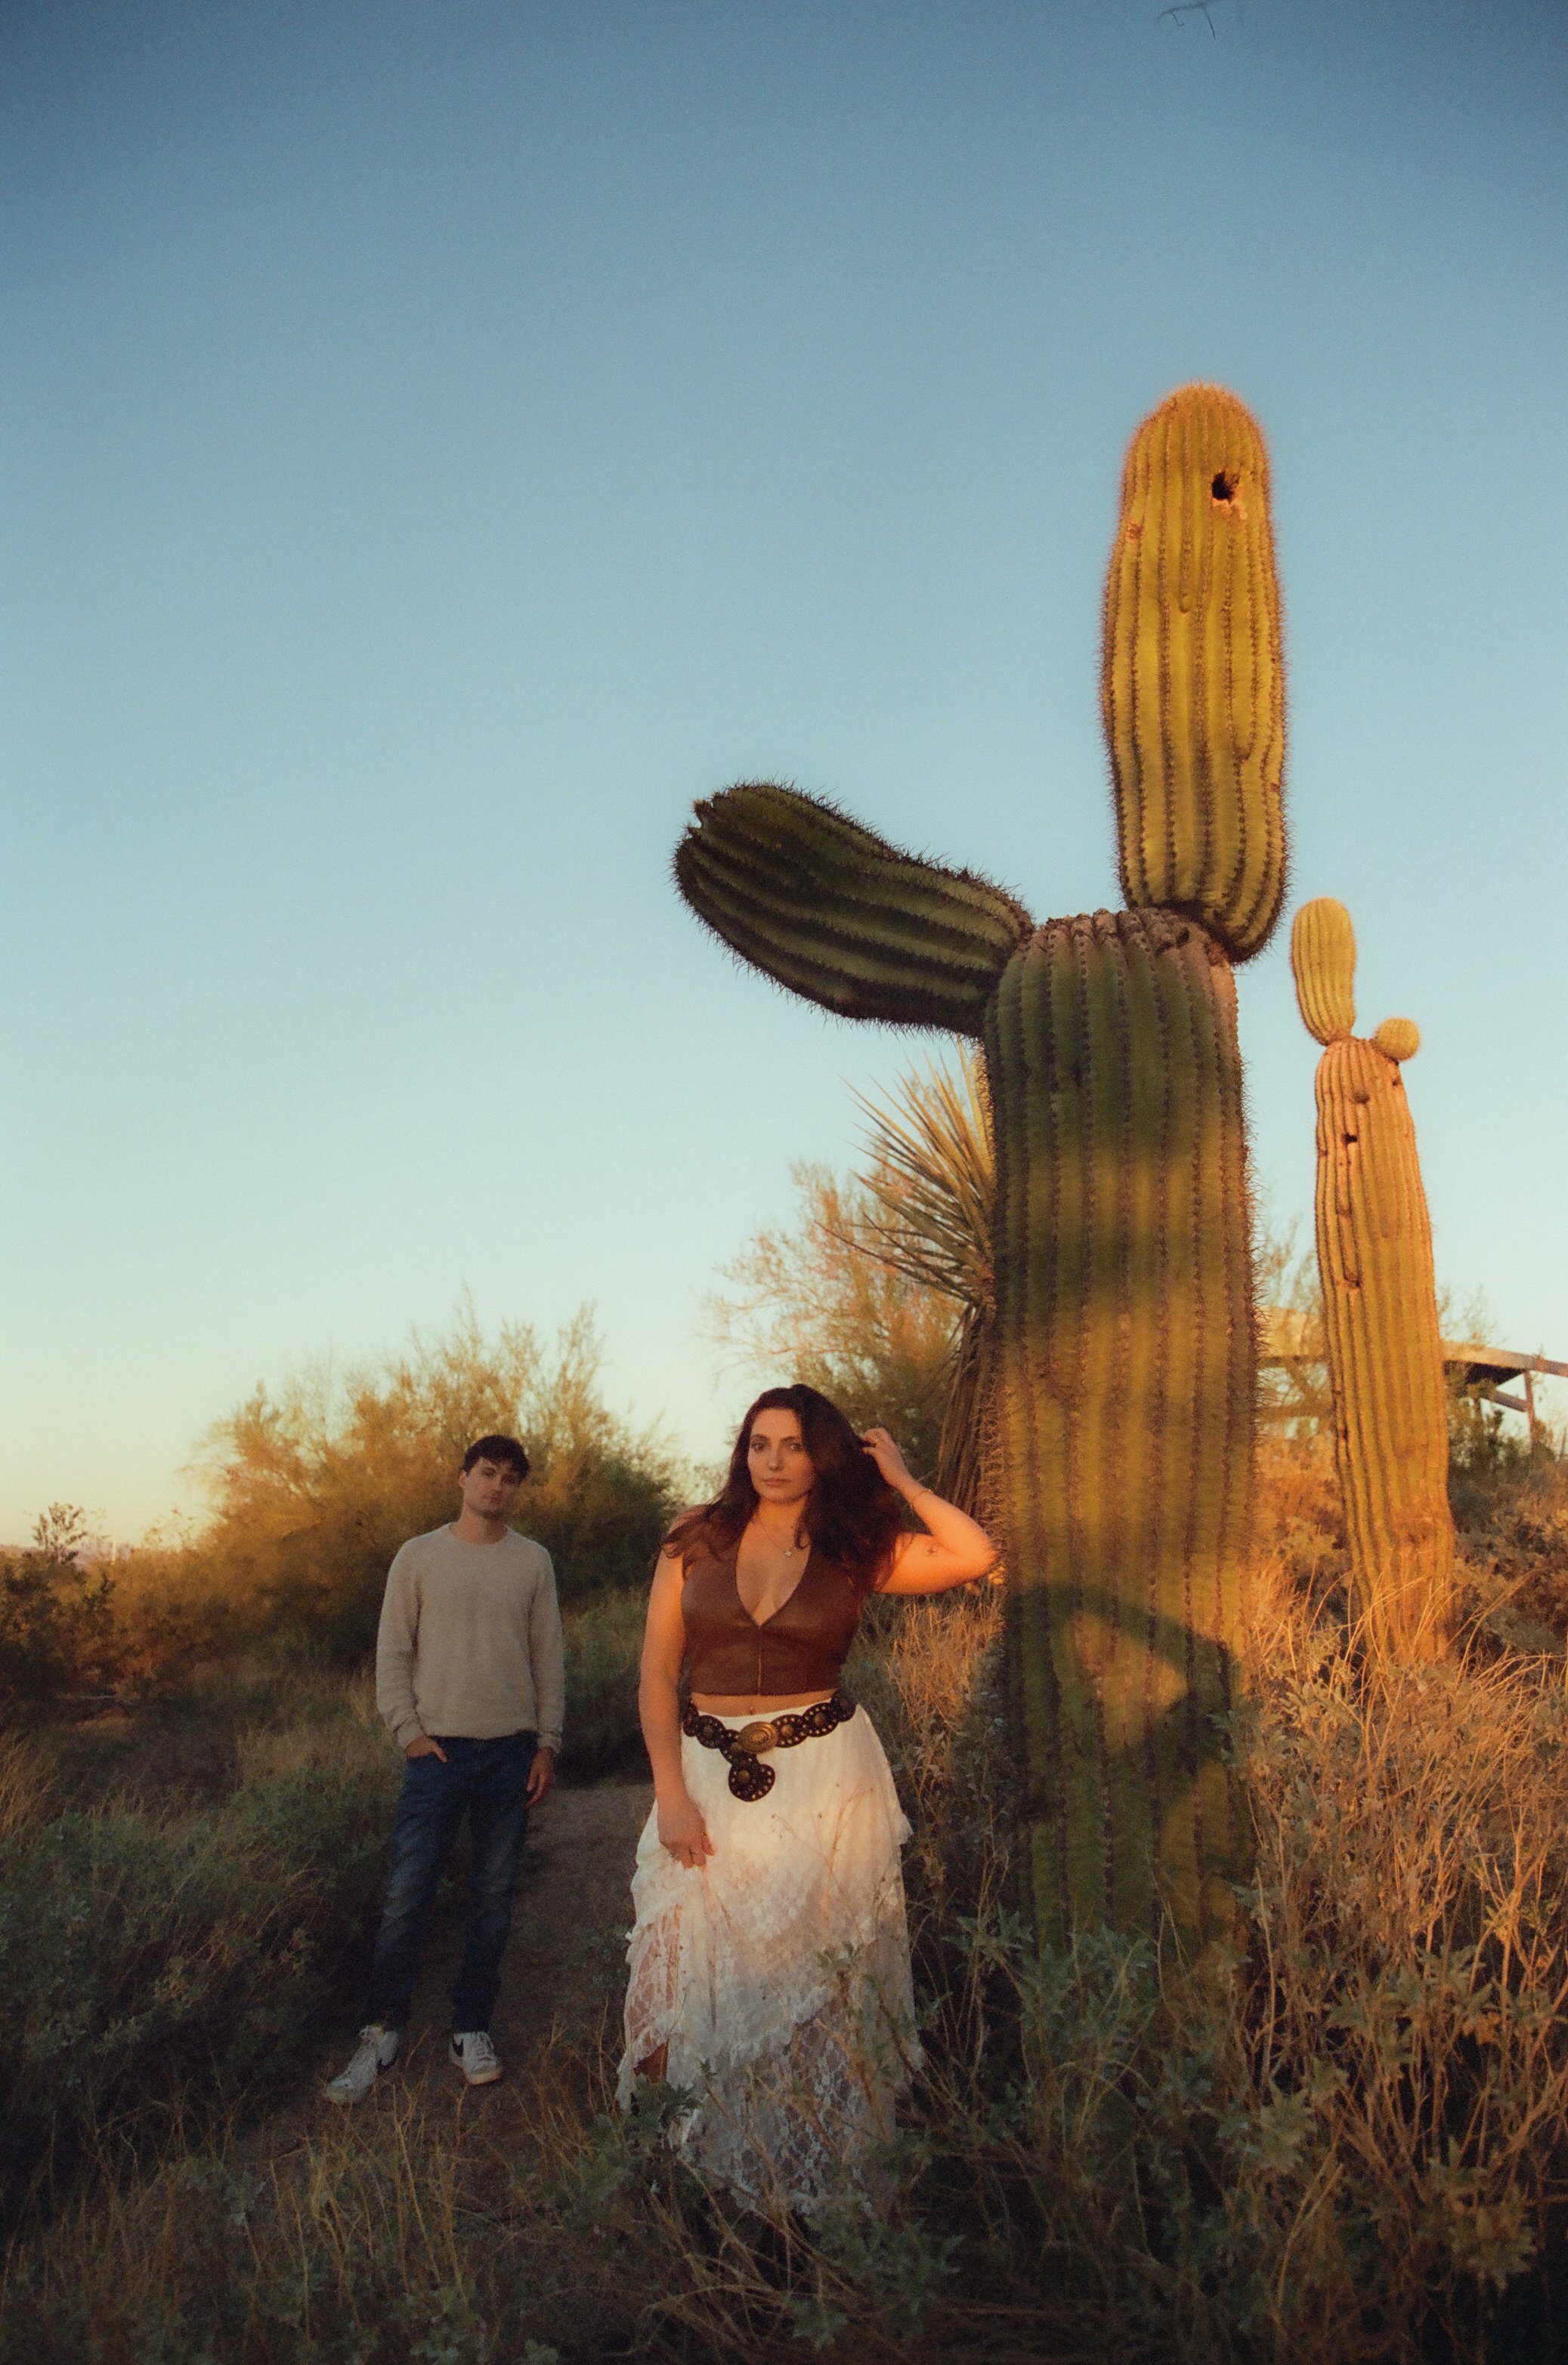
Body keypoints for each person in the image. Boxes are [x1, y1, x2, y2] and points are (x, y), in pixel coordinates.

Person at [618, 1383, 996, 2210]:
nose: (774, 1461)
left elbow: (973, 1555)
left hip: (824, 1775)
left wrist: (901, 1479)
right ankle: (680, 2169)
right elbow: (654, 1671)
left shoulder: (857, 1547)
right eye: (760, 1443)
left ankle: (804, 2181)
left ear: (820, 1454)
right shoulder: (694, 1538)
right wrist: (669, 1795)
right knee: (670, 1961)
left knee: (815, 1978)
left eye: (792, 1445)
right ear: (741, 1451)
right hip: (706, 1772)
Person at [325, 1433, 564, 2104]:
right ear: (462, 1478)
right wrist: (408, 1734)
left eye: (510, 1479)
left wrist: (547, 1743)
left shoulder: (533, 1562)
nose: (496, 1488)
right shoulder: (419, 1557)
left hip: (510, 1754)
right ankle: (381, 2031)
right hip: (437, 1756)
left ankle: (471, 2028)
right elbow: (392, 1655)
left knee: (492, 1899)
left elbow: (548, 1658)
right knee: (408, 1894)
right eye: (486, 1474)